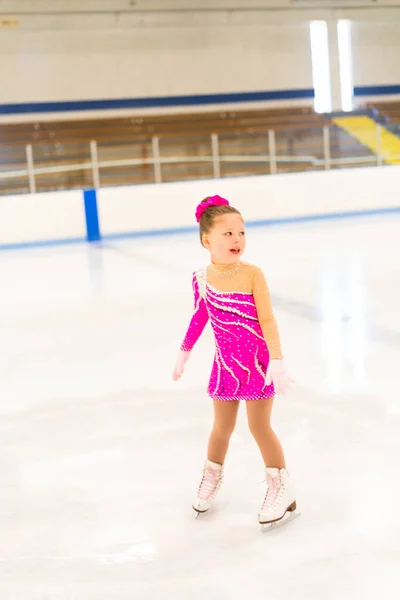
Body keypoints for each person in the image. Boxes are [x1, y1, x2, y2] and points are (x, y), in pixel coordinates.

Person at [172, 195, 296, 525]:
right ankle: (211, 477)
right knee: (221, 428)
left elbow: (267, 320)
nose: (237, 240)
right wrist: (183, 353)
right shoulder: (201, 278)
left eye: (241, 232)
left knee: (259, 426)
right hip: (226, 366)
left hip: (258, 365)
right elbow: (200, 318)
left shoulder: (253, 274)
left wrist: (277, 360)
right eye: (228, 234)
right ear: (206, 240)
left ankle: (282, 488)